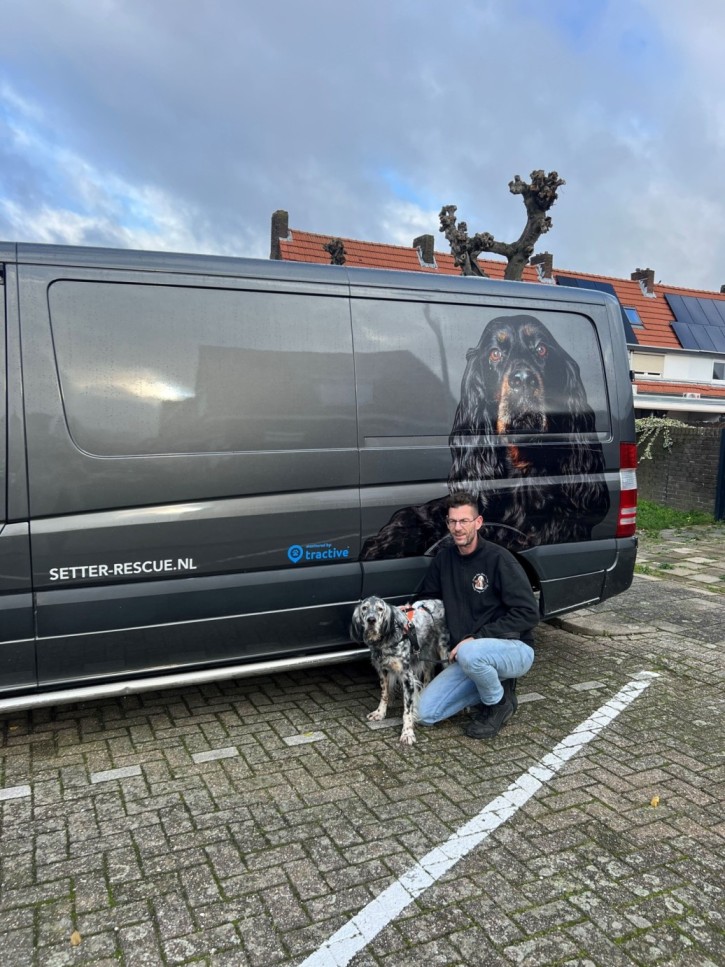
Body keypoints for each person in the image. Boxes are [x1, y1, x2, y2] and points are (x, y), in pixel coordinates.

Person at [413, 491, 539, 739]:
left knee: (471, 653)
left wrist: (477, 637)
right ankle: (493, 683)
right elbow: (424, 600)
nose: (457, 528)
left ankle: (498, 703)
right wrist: (408, 616)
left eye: (464, 521)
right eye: (452, 521)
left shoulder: (499, 559)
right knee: (423, 713)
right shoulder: (444, 560)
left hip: (514, 649)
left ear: (478, 522)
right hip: (470, 657)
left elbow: (529, 614)